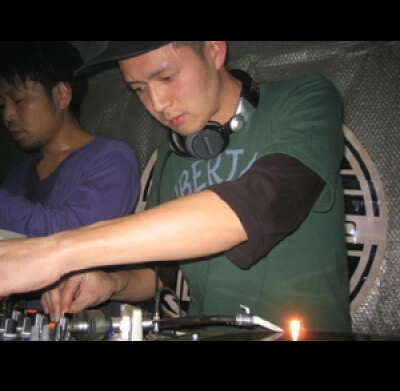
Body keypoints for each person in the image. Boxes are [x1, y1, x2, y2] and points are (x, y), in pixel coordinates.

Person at [0, 41, 351, 334]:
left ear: (214, 50)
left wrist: (57, 251)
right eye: (138, 89)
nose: (157, 104)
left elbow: (256, 205)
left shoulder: (306, 99)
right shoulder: (171, 153)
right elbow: (160, 274)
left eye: (167, 77)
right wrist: (111, 283)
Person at [0, 41, 140, 313]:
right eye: (2, 104)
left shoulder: (111, 158)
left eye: (19, 101)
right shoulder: (18, 175)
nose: (7, 115)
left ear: (61, 95)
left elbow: (75, 236)